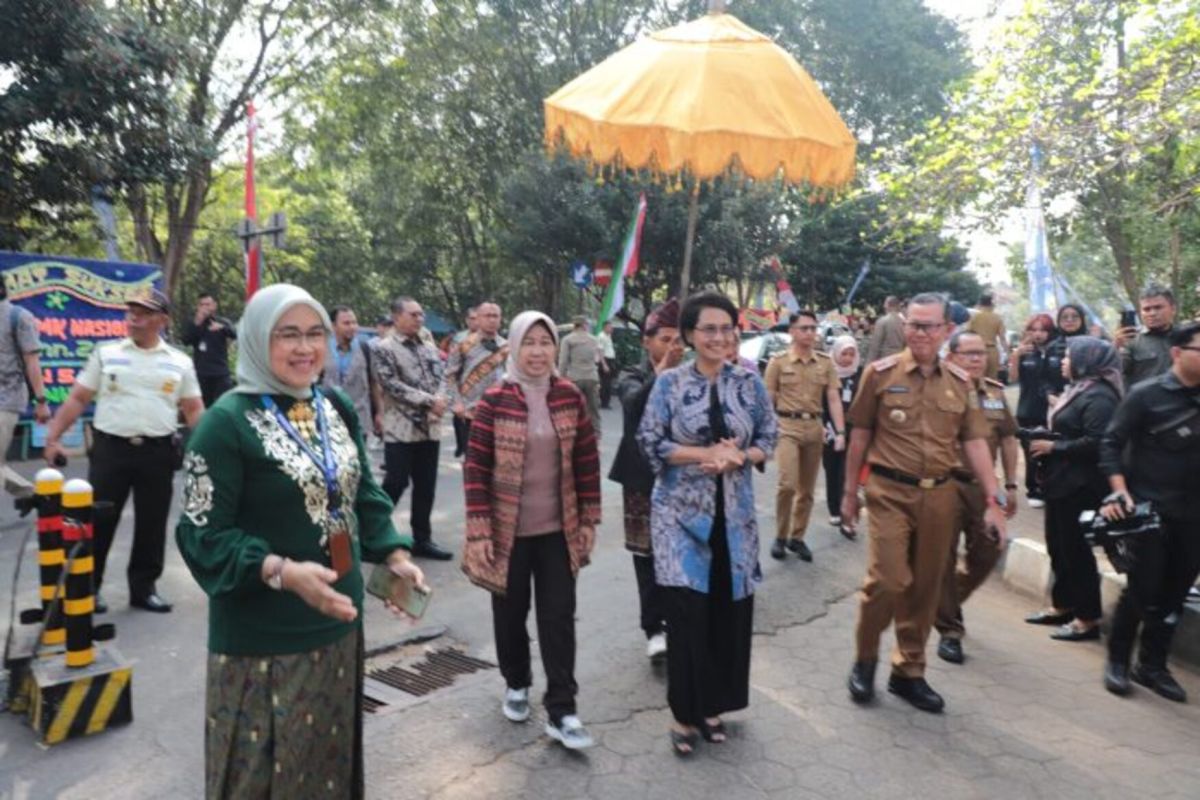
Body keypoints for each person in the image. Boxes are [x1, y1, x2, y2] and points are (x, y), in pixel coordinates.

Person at [175, 283, 425, 798]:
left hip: (338, 626)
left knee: (325, 768)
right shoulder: (224, 424)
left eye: (314, 333)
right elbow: (203, 537)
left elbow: (362, 493)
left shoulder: (332, 404)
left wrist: (393, 554)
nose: (305, 347)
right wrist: (281, 572)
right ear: (256, 340)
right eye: (287, 335)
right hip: (263, 646)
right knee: (264, 779)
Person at [841, 293, 1006, 714]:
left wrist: (994, 499)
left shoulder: (961, 382)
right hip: (887, 491)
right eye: (913, 324)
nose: (920, 333)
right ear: (904, 327)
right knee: (890, 579)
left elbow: (974, 442)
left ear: (946, 330)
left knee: (926, 586)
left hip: (940, 495)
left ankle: (908, 671)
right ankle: (865, 659)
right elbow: (859, 434)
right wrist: (847, 495)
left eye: (930, 326)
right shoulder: (878, 374)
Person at [637, 291, 778, 756]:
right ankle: (683, 713)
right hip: (679, 518)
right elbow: (650, 442)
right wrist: (705, 454)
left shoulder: (749, 383)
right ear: (690, 336)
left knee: (726, 613)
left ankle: (714, 705)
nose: (719, 337)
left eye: (726, 328)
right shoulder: (670, 384)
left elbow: (768, 436)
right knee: (687, 616)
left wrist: (740, 456)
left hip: (734, 519)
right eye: (708, 329)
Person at [461, 310, 601, 750]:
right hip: (506, 534)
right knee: (509, 614)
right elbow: (476, 467)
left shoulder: (569, 396)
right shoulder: (495, 399)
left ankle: (563, 710)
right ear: (515, 347)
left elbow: (585, 461)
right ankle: (517, 682)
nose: (538, 352)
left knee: (558, 618)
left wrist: (590, 519)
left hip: (558, 530)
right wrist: (480, 531)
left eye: (545, 342)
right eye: (529, 343)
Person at [43, 288, 204, 613]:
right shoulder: (107, 353)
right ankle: (89, 587)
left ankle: (143, 589)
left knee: (152, 524)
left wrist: (213, 451)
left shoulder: (179, 362)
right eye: (131, 311)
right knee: (98, 520)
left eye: (143, 312)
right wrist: (53, 438)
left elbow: (194, 410)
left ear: (162, 320)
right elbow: (78, 398)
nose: (134, 317)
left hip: (157, 453)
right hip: (110, 451)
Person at [1099, 322, 1200, 702]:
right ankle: (1118, 661)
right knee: (1142, 589)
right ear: (1178, 353)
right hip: (1151, 511)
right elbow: (1111, 443)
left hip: (1194, 517)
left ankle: (1153, 665)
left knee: (1175, 593)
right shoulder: (1146, 395)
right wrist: (1120, 492)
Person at [1024, 336, 1122, 641]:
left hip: (1081, 486)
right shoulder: (1080, 389)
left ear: (1086, 361)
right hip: (1061, 483)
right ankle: (1063, 605)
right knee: (1059, 546)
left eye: (1068, 357)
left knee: (1076, 551)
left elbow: (1098, 442)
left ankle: (1087, 618)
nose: (1063, 362)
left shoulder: (1101, 396)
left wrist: (1055, 446)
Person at [934, 331, 1019, 665]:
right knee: (942, 555)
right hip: (943, 484)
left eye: (981, 353)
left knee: (988, 551)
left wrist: (1011, 485)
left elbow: (1009, 440)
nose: (975, 359)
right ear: (950, 357)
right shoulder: (937, 392)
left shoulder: (995, 394)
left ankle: (943, 600)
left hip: (984, 489)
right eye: (967, 353)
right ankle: (950, 630)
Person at [608, 299, 683, 661]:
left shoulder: (691, 374)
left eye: (677, 340)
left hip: (683, 476)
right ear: (647, 342)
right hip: (640, 476)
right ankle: (654, 627)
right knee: (646, 553)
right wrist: (662, 373)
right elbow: (634, 406)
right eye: (665, 339)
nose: (672, 347)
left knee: (683, 549)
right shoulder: (631, 374)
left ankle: (680, 622)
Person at [371, 297, 452, 561]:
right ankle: (372, 533)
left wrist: (440, 400)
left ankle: (422, 539)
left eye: (421, 315)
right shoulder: (384, 348)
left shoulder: (428, 347)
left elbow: (442, 378)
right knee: (395, 481)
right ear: (396, 317)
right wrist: (430, 401)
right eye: (413, 314)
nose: (420, 319)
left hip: (429, 427)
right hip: (401, 427)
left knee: (426, 485)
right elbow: (391, 384)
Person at [763, 311, 844, 562]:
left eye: (813, 328)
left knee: (807, 489)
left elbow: (833, 397)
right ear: (792, 331)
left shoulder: (825, 362)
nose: (810, 333)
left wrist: (840, 431)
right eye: (804, 328)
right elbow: (769, 398)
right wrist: (766, 431)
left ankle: (797, 538)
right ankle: (780, 536)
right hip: (787, 425)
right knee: (787, 485)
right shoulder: (777, 362)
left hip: (814, 427)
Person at [0, 281, 50, 497]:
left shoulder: (18, 317)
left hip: (6, 400)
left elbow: (32, 361)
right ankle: (37, 497)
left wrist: (41, 402)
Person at [1010, 313, 1061, 508]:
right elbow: (1013, 379)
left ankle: (1050, 487)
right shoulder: (1024, 353)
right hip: (1028, 408)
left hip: (1052, 408)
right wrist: (1016, 356)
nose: (1038, 334)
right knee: (1030, 451)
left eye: (1043, 330)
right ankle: (1033, 489)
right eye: (1034, 330)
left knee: (1050, 450)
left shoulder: (1058, 351)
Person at [442, 301, 506, 447]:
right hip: (470, 412)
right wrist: (456, 402)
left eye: (495, 316)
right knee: (473, 460)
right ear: (477, 318)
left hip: (499, 412)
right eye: (487, 316)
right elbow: (449, 375)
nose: (492, 320)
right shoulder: (462, 344)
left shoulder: (506, 346)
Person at [822, 335, 860, 537]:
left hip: (853, 429)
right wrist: (824, 427)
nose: (847, 358)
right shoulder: (828, 374)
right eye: (843, 353)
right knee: (832, 469)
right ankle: (834, 509)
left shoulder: (859, 375)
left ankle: (849, 510)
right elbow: (822, 403)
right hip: (829, 428)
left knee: (847, 471)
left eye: (850, 354)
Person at [322, 305, 373, 433]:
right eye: (346, 323)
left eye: (354, 323)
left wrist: (379, 414)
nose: (352, 327)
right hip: (328, 416)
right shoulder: (322, 348)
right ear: (333, 326)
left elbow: (373, 382)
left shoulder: (364, 348)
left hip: (359, 417)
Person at [1116, 285, 1178, 388]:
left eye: (1158, 307)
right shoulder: (1131, 341)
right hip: (1146, 402)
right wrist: (1115, 347)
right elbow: (1116, 372)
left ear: (1173, 309)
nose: (1152, 313)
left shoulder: (1186, 337)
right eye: (1146, 309)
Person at [181, 292, 237, 408]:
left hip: (220, 372)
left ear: (214, 306)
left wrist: (222, 328)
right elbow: (186, 340)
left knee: (224, 405)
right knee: (203, 407)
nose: (205, 307)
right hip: (202, 373)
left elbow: (234, 334)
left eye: (208, 304)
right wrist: (198, 321)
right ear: (198, 307)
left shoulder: (222, 322)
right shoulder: (194, 323)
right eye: (202, 305)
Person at [558, 315, 603, 434]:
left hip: (575, 378)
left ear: (574, 325)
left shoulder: (568, 340)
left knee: (572, 408)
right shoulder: (594, 339)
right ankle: (596, 434)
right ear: (585, 325)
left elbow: (563, 361)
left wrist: (559, 379)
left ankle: (572, 434)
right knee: (593, 409)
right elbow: (597, 359)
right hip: (592, 377)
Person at [449, 306, 478, 457]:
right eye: (472, 319)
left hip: (481, 392)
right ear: (467, 321)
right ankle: (462, 446)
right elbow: (452, 369)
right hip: (462, 389)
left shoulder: (490, 340)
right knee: (460, 421)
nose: (475, 322)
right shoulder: (459, 339)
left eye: (477, 318)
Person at [964, 292, 1007, 381]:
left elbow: (967, 333)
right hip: (992, 351)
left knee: (975, 379)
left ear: (980, 304)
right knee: (992, 381)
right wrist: (1008, 353)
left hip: (976, 351)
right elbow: (1002, 338)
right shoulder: (997, 318)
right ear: (992, 304)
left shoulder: (974, 317)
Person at [864, 295, 905, 363]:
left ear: (886, 305)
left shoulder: (882, 321)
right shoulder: (904, 322)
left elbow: (875, 345)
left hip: (885, 360)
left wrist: (869, 364)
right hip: (900, 359)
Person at [597, 320, 618, 409]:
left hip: (610, 359)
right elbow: (600, 351)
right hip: (605, 360)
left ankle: (606, 401)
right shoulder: (601, 336)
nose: (611, 329)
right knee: (605, 383)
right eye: (610, 327)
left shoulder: (608, 336)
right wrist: (604, 364)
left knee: (608, 382)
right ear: (605, 327)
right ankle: (604, 402)